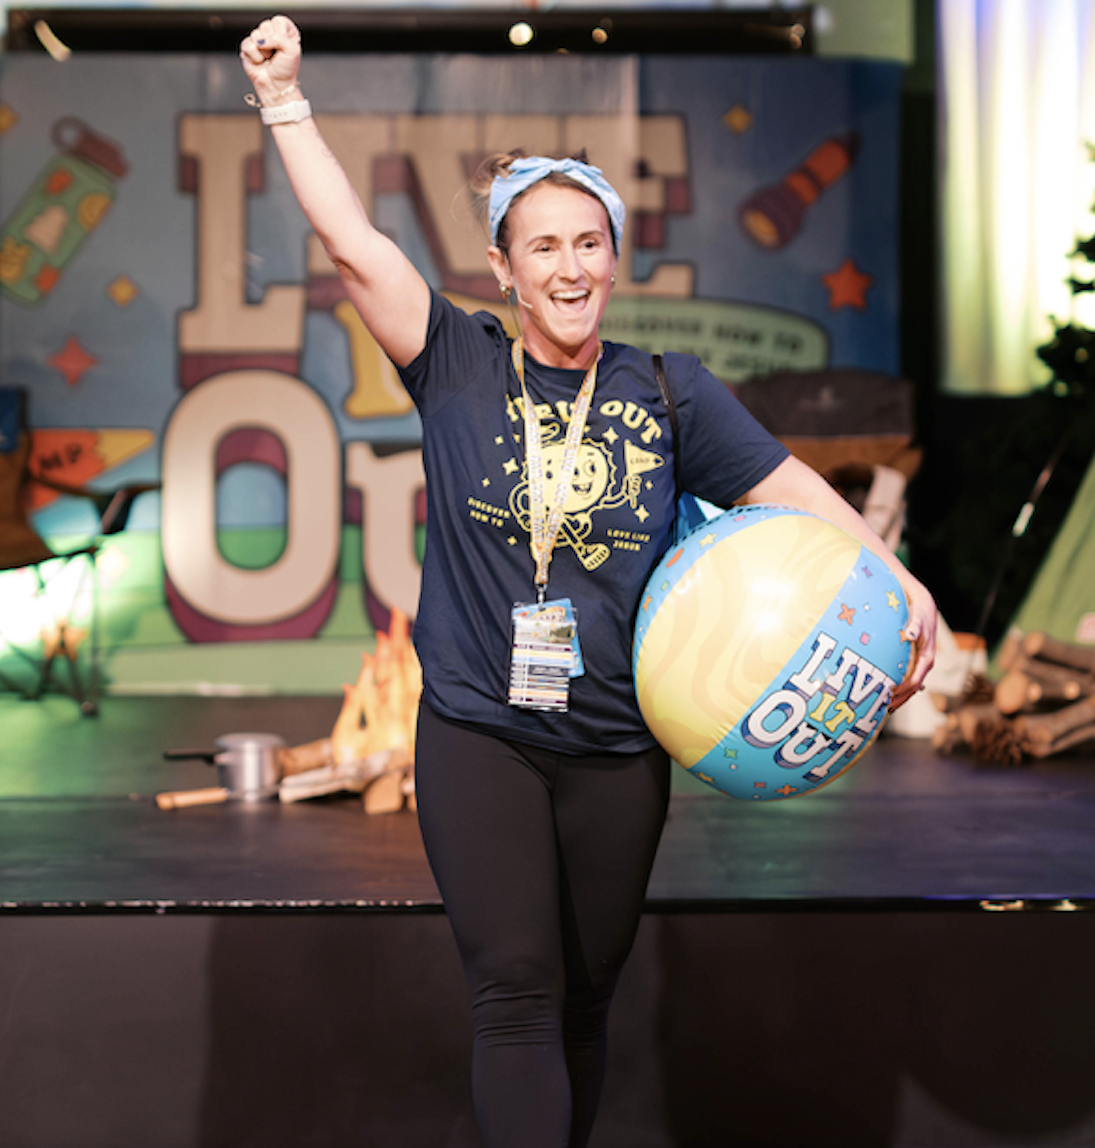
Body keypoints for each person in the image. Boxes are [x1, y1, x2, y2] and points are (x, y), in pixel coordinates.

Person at [240, 16, 939, 1146]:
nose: (568, 267)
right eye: (543, 247)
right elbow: (354, 243)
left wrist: (900, 582)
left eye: (588, 243)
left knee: (581, 998)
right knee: (516, 988)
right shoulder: (457, 364)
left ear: (614, 258)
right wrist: (284, 102)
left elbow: (796, 492)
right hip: (483, 731)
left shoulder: (670, 390)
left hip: (619, 746)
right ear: (502, 268)